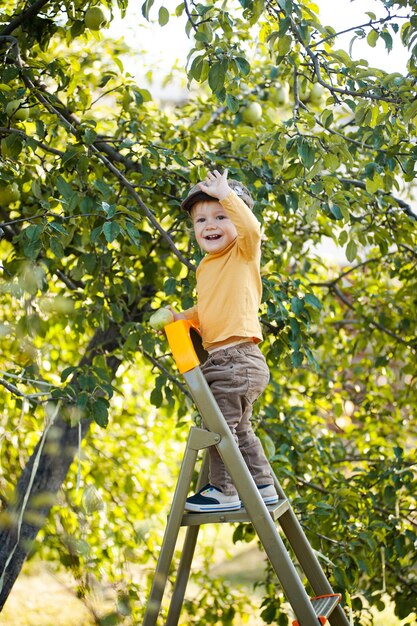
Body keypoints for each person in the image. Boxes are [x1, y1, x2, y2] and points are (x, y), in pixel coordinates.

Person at [172, 169, 278, 513]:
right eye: (201, 219)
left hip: (238, 358)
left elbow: (252, 229)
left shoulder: (243, 254)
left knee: (219, 427)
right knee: (240, 428)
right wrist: (182, 319)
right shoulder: (206, 267)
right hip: (226, 361)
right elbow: (208, 311)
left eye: (221, 216)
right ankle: (262, 484)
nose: (210, 225)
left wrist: (226, 194)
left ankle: (225, 488)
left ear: (237, 218)